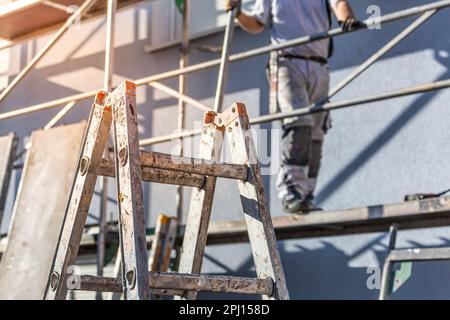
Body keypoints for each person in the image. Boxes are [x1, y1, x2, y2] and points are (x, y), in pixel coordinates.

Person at [225, 0, 363, 214]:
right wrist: (238, 13)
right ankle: (291, 193)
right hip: (287, 62)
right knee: (299, 125)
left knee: (317, 133)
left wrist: (347, 18)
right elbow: (257, 23)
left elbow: (339, 4)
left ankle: (305, 195)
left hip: (319, 63)